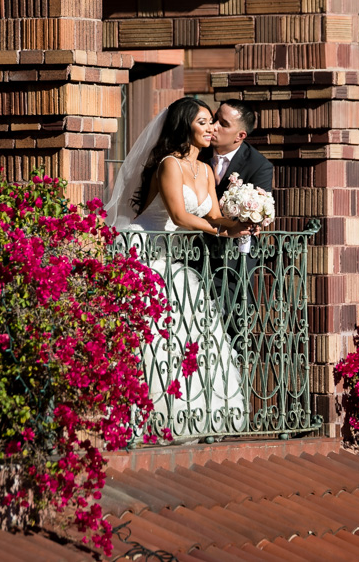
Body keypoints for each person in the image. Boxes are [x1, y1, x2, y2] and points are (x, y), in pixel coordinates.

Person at [104, 97, 251, 439]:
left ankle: (188, 415)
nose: (212, 128)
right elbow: (179, 216)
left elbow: (213, 215)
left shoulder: (205, 169)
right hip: (141, 250)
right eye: (203, 122)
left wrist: (242, 221)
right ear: (185, 127)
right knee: (151, 334)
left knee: (187, 331)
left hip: (168, 255)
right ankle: (140, 415)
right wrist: (220, 230)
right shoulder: (170, 164)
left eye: (212, 122)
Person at [198, 100, 274, 344]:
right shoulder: (195, 153)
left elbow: (257, 217)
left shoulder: (259, 165)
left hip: (231, 261)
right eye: (214, 118)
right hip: (189, 251)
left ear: (240, 135)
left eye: (223, 123)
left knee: (230, 329)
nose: (214, 126)